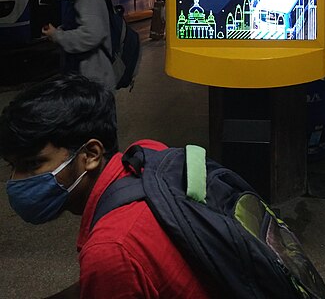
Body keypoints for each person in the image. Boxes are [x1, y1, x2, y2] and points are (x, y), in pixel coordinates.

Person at [0, 75, 212, 299]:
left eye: (33, 164)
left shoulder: (111, 250)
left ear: (91, 155)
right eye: (12, 166)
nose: (17, 180)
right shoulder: (146, 156)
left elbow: (111, 265)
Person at [42, 0, 116, 91]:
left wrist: (57, 35)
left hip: (93, 82)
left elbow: (92, 35)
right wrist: (60, 31)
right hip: (88, 79)